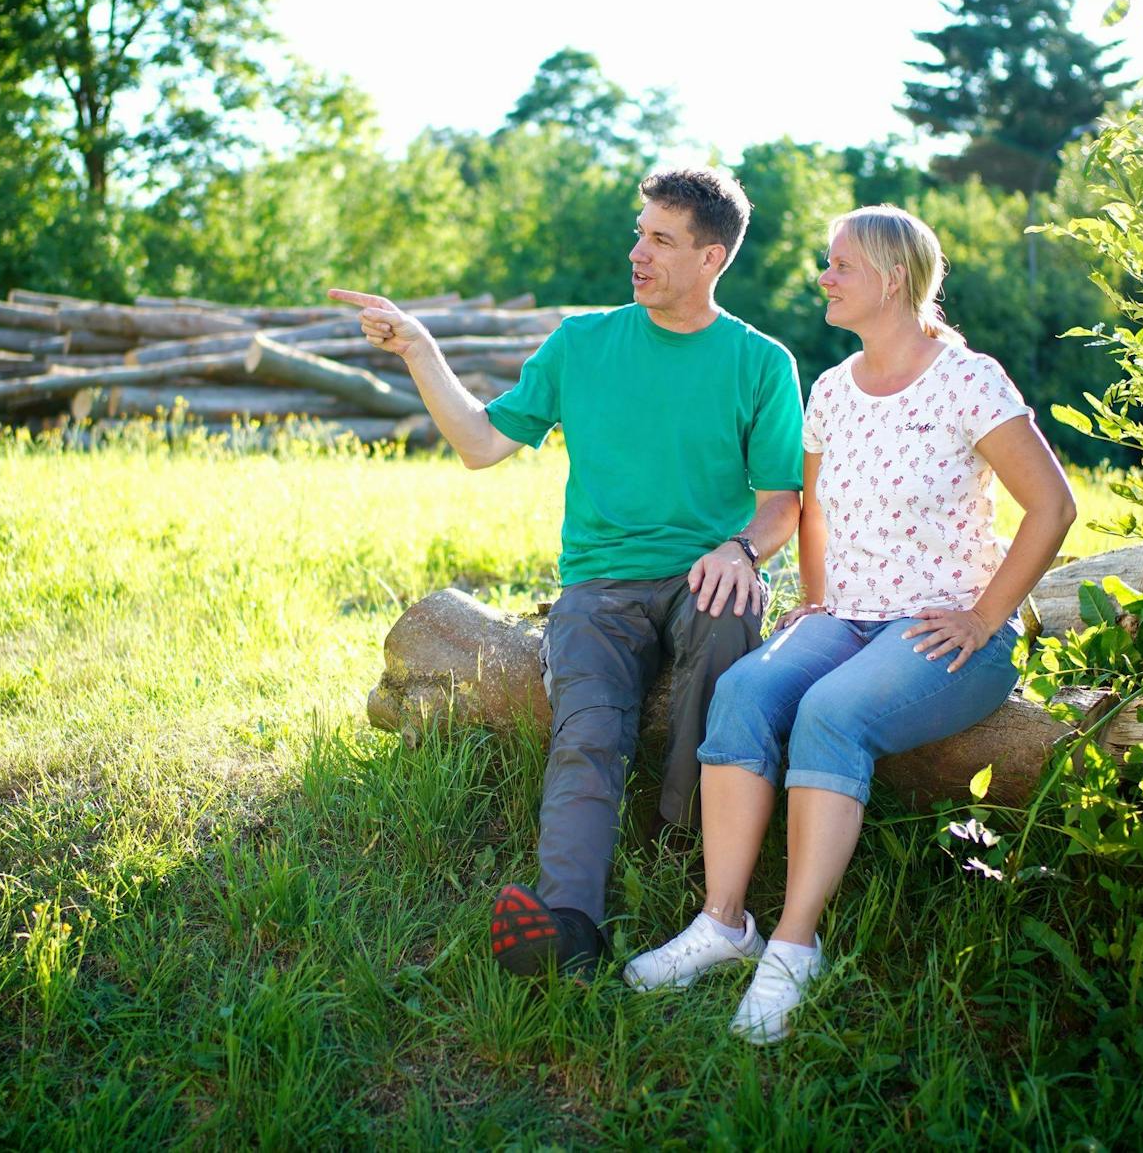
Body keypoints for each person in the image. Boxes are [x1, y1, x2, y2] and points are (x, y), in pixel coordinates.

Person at [329, 168, 805, 980]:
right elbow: (482, 444)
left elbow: (781, 503)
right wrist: (419, 348)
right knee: (586, 730)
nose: (637, 252)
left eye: (660, 239)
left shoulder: (760, 362)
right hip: (599, 589)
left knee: (728, 623)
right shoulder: (583, 342)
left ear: (711, 257)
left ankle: (686, 852)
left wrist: (742, 550)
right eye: (639, 231)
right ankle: (568, 926)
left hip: (707, 577)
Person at [622, 204, 1078, 1042]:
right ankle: (724, 921)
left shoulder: (969, 379)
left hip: (947, 631)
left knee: (832, 716)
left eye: (840, 265)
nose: (823, 278)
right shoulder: (833, 388)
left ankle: (795, 947)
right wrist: (818, 599)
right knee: (747, 689)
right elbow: (814, 510)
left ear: (893, 277)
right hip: (850, 616)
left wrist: (987, 615)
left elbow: (1053, 505)